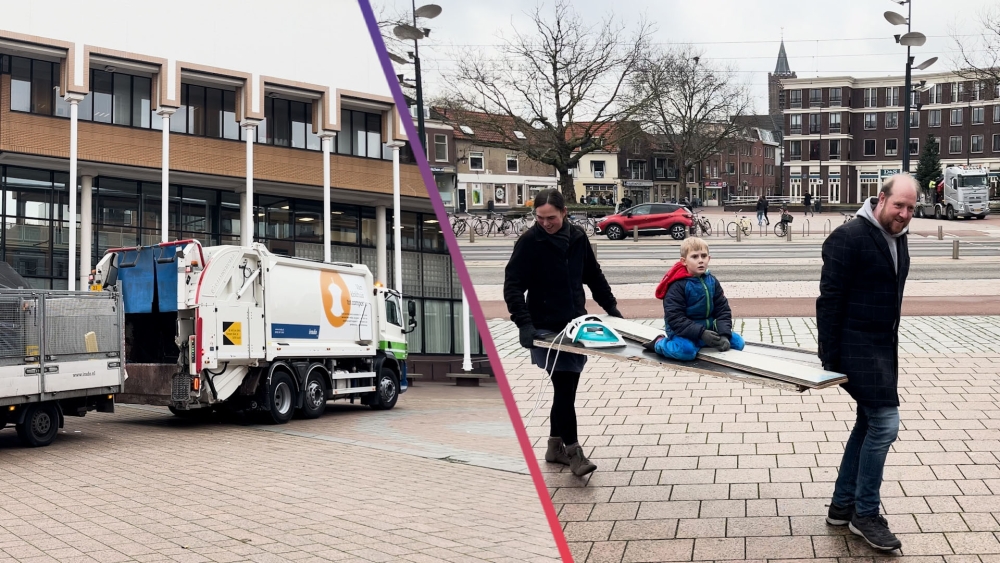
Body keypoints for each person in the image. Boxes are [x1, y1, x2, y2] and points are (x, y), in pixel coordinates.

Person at [817, 174, 917, 552]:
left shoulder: (897, 237)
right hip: (854, 347)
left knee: (868, 422)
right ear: (880, 199)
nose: (905, 214)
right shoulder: (848, 237)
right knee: (886, 423)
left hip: (883, 347)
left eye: (910, 208)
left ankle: (843, 506)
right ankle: (865, 512)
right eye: (898, 206)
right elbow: (829, 301)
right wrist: (830, 357)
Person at [504, 188, 622, 477]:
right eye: (540, 218)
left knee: (566, 388)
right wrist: (525, 324)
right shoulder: (530, 242)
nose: (545, 223)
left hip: (574, 325)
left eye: (551, 218)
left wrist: (613, 311)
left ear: (564, 213)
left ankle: (554, 446)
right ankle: (573, 452)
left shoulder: (578, 238)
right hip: (545, 328)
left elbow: (594, 276)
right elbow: (513, 285)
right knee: (565, 387)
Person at [644, 237, 745, 360]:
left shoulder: (712, 281)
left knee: (738, 343)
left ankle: (702, 343)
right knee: (686, 352)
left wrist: (724, 334)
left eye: (704, 256)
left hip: (708, 330)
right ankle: (659, 343)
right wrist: (701, 333)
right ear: (684, 261)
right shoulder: (677, 285)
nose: (700, 260)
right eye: (695, 257)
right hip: (683, 331)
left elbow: (723, 310)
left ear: (709, 258)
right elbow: (675, 318)